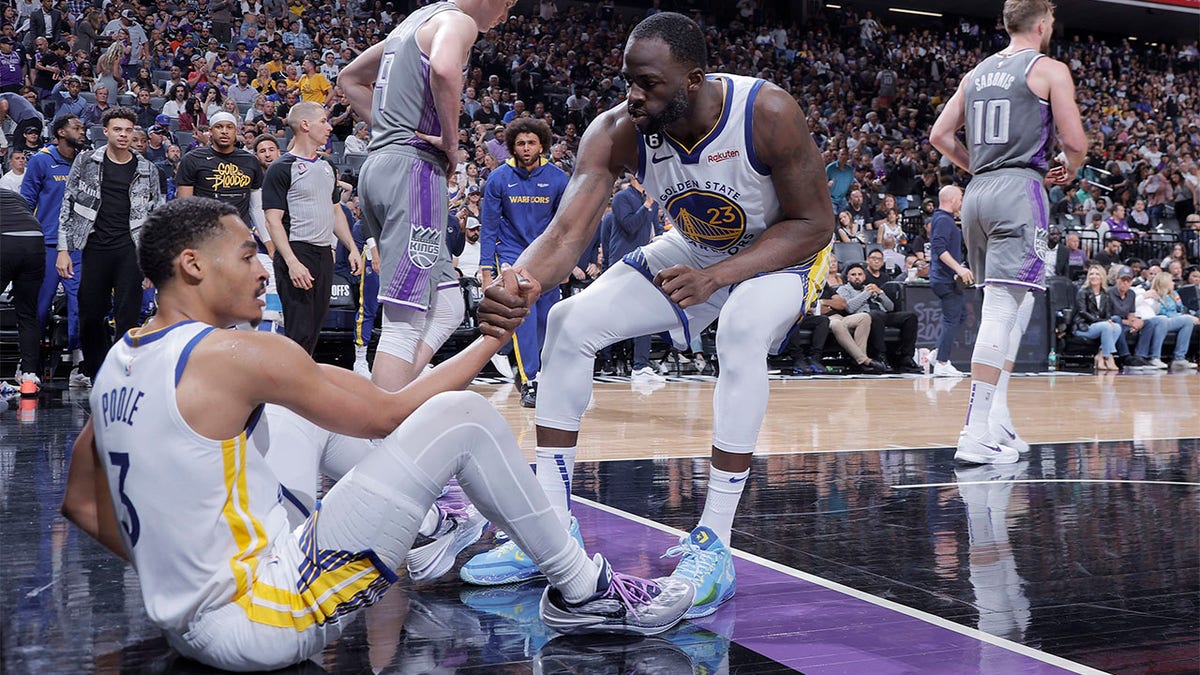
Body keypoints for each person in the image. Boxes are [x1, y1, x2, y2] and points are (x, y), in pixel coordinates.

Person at [59, 197, 695, 673]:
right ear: (192, 265)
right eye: (249, 254)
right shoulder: (235, 355)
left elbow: (81, 504)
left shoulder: (120, 359)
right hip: (265, 622)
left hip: (188, 628)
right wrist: (495, 335)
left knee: (292, 412)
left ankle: (426, 533)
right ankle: (585, 593)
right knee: (463, 418)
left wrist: (178, 576)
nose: (261, 270)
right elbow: (394, 412)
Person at [468, 12, 835, 620]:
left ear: (693, 79)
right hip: (695, 249)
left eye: (648, 83)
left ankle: (714, 543)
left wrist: (720, 276)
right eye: (628, 81)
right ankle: (551, 532)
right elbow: (566, 231)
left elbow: (813, 224)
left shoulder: (766, 113)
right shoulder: (618, 129)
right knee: (568, 323)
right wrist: (521, 282)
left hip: (782, 256)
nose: (633, 95)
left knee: (741, 329)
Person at [930, 0, 1086, 464]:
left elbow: (940, 136)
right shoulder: (1049, 69)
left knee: (1015, 302)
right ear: (1042, 24)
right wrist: (1069, 168)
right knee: (1002, 309)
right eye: (1052, 21)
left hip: (977, 192)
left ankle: (996, 416)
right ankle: (974, 432)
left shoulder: (975, 73)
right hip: (1021, 189)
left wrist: (977, 167)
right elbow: (1075, 143)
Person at [337, 0, 509, 391]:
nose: (504, 18)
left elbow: (348, 79)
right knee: (404, 322)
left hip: (380, 167)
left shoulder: (412, 24)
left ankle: (394, 396)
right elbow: (446, 70)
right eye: (507, 6)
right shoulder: (456, 20)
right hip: (413, 172)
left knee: (448, 305)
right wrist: (451, 142)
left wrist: (392, 127)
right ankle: (379, 429)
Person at [56, 107, 163, 389]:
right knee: (90, 313)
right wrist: (63, 249)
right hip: (94, 246)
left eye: (129, 130)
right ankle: (96, 369)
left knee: (128, 314)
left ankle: (120, 372)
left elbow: (155, 214)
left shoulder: (146, 168)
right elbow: (67, 203)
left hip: (131, 247)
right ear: (106, 132)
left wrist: (153, 261)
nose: (124, 135)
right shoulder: (86, 161)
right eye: (118, 129)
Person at [479, 117, 569, 406]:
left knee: (547, 318)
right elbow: (489, 227)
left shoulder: (558, 178)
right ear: (512, 147)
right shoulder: (498, 178)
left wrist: (567, 263)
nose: (526, 148)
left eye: (531, 142)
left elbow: (566, 225)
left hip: (547, 257)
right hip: (512, 256)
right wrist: (485, 269)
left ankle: (542, 374)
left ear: (541, 144)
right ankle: (530, 380)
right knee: (525, 319)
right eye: (520, 143)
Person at [263, 101, 360, 355]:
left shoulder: (327, 166)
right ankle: (286, 391)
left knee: (314, 329)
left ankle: (297, 389)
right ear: (305, 125)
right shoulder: (282, 168)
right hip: (297, 251)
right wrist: (292, 262)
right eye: (323, 121)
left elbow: (335, 209)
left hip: (324, 253)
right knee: (299, 331)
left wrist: (351, 247)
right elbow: (273, 220)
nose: (329, 127)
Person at [22, 114, 86, 383]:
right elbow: (26, 201)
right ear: (60, 132)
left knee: (80, 304)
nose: (82, 131)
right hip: (46, 243)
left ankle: (78, 366)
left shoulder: (86, 162)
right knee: (39, 305)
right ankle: (29, 366)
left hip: (77, 244)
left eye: (83, 127)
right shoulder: (41, 160)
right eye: (76, 128)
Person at [175, 111, 270, 251]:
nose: (224, 131)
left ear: (236, 131)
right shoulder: (192, 159)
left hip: (241, 235)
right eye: (219, 127)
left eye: (229, 127)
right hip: (205, 236)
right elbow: (184, 206)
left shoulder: (250, 161)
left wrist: (269, 243)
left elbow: (256, 208)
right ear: (210, 131)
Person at [1, 189, 45, 385]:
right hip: (35, 240)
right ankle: (29, 376)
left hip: (6, 240)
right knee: (27, 313)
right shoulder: (15, 196)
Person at [929, 185, 973, 377]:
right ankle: (942, 362)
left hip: (947, 278)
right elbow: (939, 250)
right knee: (952, 319)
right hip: (944, 279)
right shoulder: (943, 221)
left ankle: (937, 353)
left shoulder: (946, 220)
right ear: (953, 199)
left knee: (961, 315)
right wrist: (959, 268)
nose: (962, 202)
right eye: (961, 198)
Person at [1143, 271, 1199, 371]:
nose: (1173, 283)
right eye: (1171, 281)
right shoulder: (1155, 294)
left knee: (1189, 320)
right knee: (1186, 320)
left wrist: (1193, 315)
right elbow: (1161, 312)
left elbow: (1181, 308)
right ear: (1164, 283)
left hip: (1174, 320)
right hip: (1161, 321)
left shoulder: (1174, 294)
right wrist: (1185, 316)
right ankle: (1162, 357)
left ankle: (1179, 359)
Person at [1072, 265, 1121, 372]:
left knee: (1117, 327)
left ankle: (1100, 355)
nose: (1094, 276)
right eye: (1091, 274)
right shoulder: (1083, 292)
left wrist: (1107, 321)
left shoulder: (1105, 294)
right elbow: (1082, 312)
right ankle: (1108, 357)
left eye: (1097, 274)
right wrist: (1103, 321)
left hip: (1100, 326)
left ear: (1102, 277)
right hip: (1084, 327)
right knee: (1106, 326)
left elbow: (1108, 314)